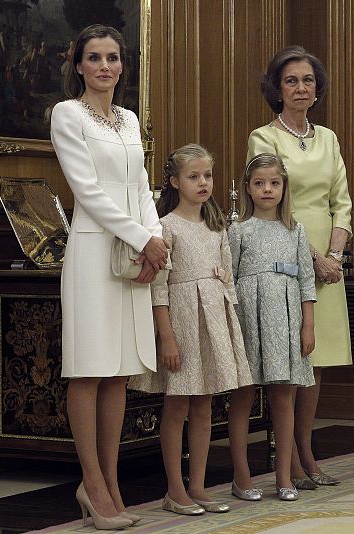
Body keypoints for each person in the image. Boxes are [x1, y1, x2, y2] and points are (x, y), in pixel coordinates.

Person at [50, 24, 168, 530]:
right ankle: (92, 484)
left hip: (135, 253)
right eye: (94, 57)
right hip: (94, 254)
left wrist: (157, 236)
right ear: (78, 64)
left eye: (113, 57)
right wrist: (143, 239)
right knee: (89, 367)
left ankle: (111, 483)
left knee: (119, 370)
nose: (104, 66)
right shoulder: (67, 114)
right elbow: (88, 192)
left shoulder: (128, 118)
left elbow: (141, 186)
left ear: (123, 65)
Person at [247, 46, 352, 488]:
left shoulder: (328, 137)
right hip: (285, 254)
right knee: (291, 358)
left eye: (308, 80)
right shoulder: (263, 137)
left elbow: (342, 202)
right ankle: (286, 459)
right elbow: (273, 201)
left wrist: (337, 256)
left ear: (317, 87)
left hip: (330, 258)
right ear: (277, 87)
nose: (300, 87)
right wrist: (314, 259)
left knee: (317, 358)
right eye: (291, 80)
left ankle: (305, 451)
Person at [128, 144, 253, 515]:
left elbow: (228, 278)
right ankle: (174, 488)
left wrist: (229, 329)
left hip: (213, 321)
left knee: (205, 405)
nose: (203, 183)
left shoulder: (217, 226)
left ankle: (197, 485)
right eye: (193, 176)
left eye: (208, 176)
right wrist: (166, 337)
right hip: (182, 321)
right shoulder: (166, 227)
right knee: (177, 404)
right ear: (174, 182)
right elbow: (159, 286)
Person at [228, 153, 317, 502]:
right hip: (250, 320)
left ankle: (283, 476)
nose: (268, 189)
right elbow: (230, 283)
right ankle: (242, 476)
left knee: (283, 396)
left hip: (288, 319)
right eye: (260, 183)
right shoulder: (238, 231)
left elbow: (307, 282)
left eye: (274, 183)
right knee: (243, 396)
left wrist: (307, 326)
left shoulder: (296, 231)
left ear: (284, 187)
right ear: (248, 189)